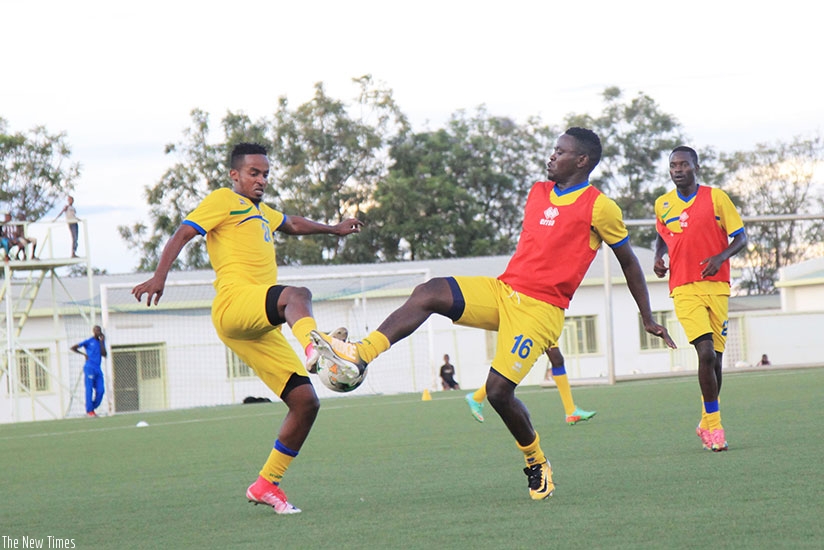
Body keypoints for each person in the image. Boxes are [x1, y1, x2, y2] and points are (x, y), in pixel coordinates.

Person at [312, 128, 675, 501]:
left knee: (500, 393)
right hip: (503, 291)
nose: (551, 156)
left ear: (582, 161)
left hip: (540, 311)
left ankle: (536, 462)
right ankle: (359, 353)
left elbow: (630, 263)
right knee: (430, 292)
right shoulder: (538, 192)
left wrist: (646, 316)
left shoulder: (601, 207)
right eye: (553, 150)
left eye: (560, 151)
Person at [131, 142, 363, 515]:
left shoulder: (262, 212)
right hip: (234, 304)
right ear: (234, 175)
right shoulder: (223, 200)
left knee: (305, 403)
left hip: (259, 325)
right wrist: (159, 277)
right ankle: (315, 348)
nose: (261, 180)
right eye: (254, 173)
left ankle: (266, 484)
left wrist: (333, 229)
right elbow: (182, 233)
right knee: (296, 294)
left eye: (266, 174)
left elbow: (293, 224)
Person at [654, 146, 747, 453]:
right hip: (683, 286)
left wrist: (721, 257)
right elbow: (661, 234)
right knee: (705, 353)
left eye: (683, 164)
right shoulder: (663, 203)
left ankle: (705, 421)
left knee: (716, 361)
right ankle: (716, 426)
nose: (677, 169)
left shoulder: (716, 198)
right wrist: (659, 256)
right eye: (673, 165)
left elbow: (741, 237)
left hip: (717, 286)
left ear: (695, 167)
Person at [466, 346, 596, 425]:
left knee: (557, 359)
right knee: (519, 364)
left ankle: (570, 410)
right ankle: (477, 396)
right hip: (533, 317)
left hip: (544, 316)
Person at [71, 325, 107, 417]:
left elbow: (104, 354)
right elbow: (73, 347)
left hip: (98, 368)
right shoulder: (88, 341)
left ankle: (92, 407)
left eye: (99, 331)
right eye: (96, 330)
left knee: (101, 390)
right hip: (89, 367)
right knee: (89, 389)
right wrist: (83, 354)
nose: (98, 332)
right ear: (93, 331)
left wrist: (102, 342)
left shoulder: (101, 342)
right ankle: (89, 411)